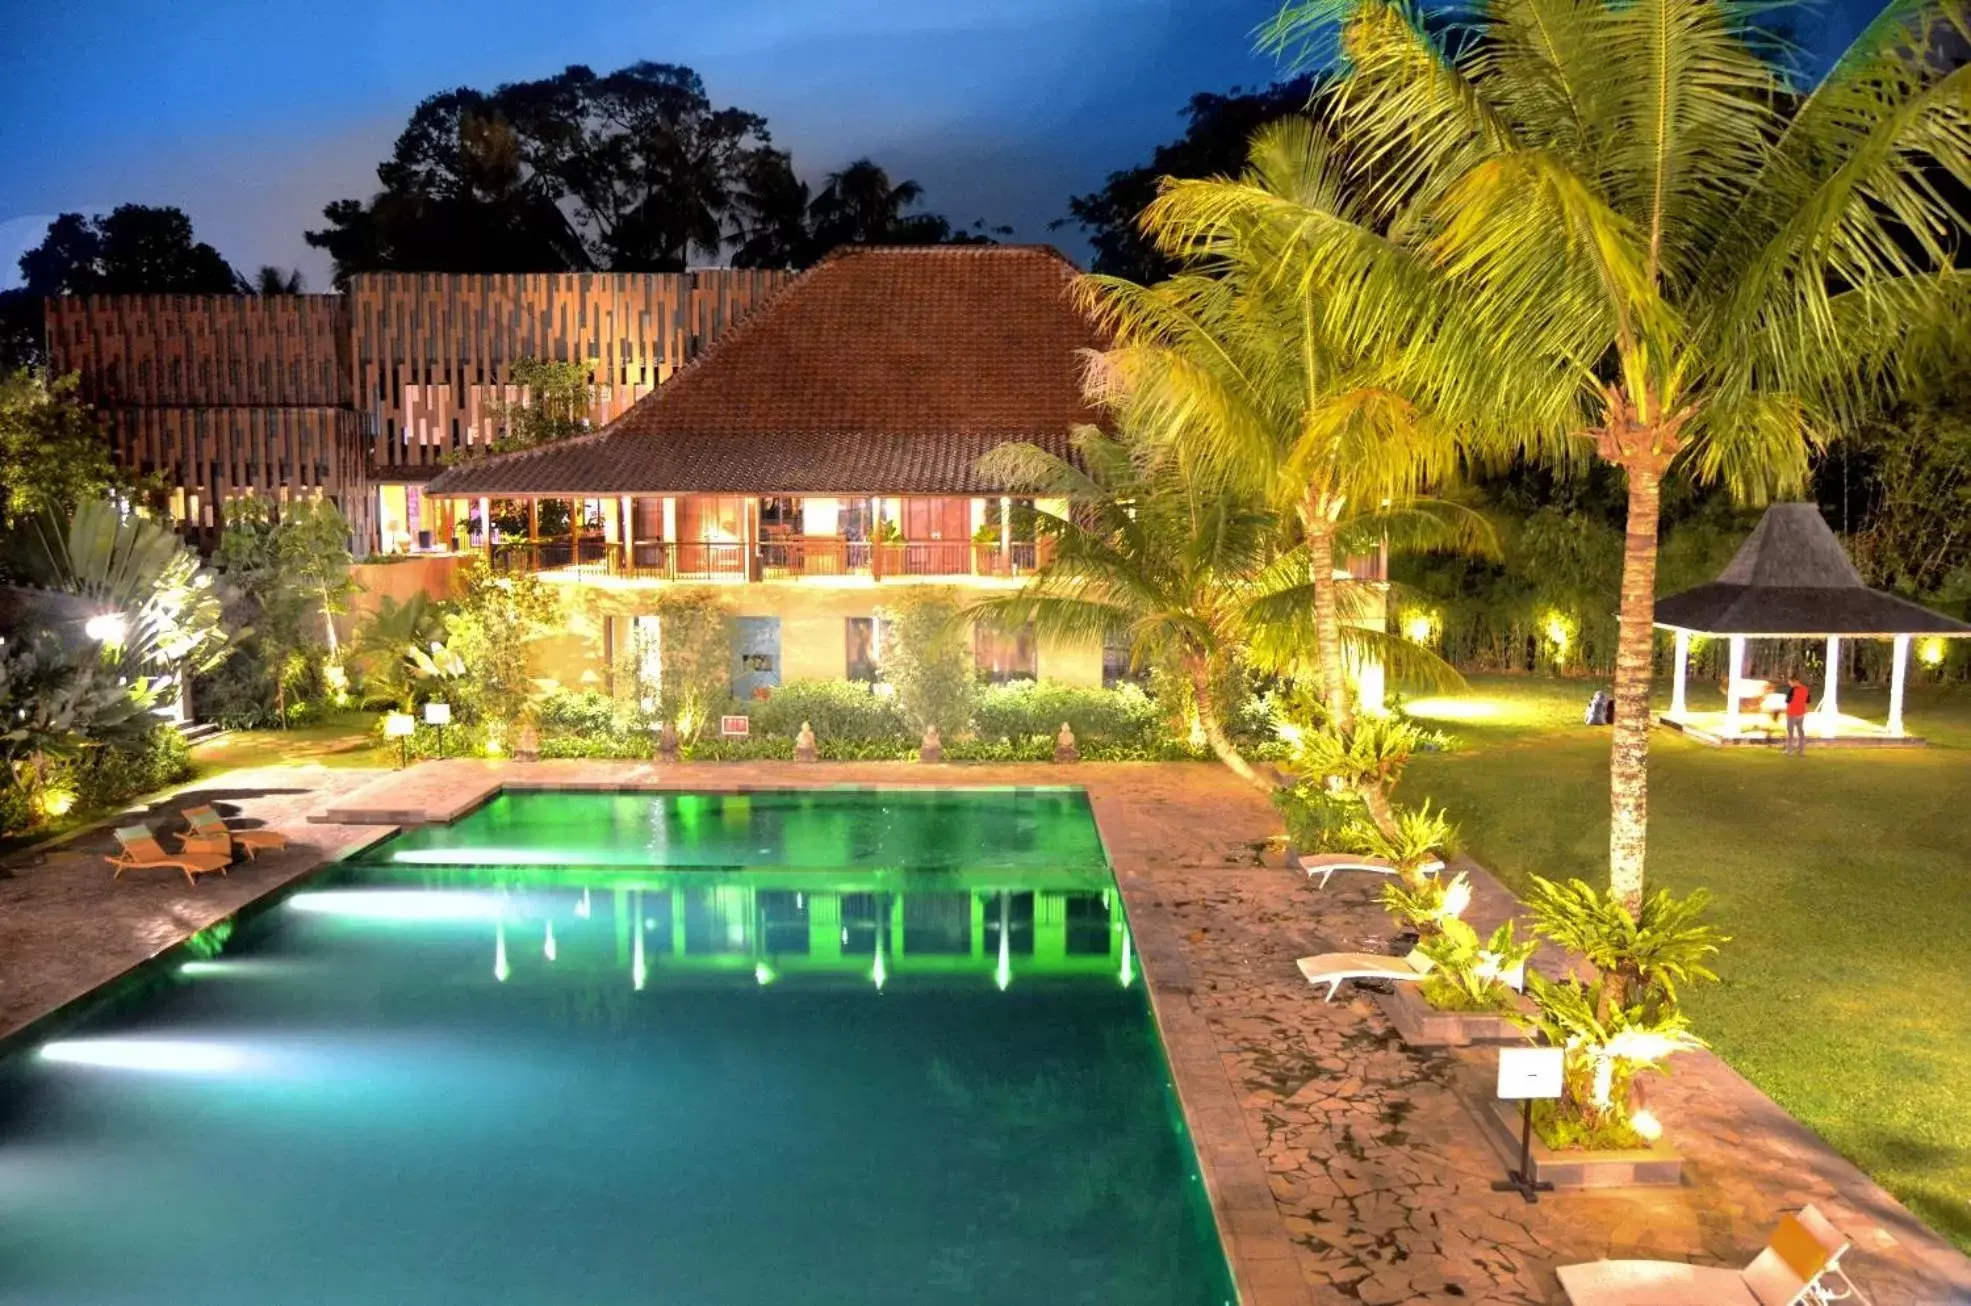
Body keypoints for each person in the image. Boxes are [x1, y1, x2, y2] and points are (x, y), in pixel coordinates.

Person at [1783, 671, 1811, 755]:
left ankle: (1789, 751)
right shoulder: (1805, 689)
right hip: (1801, 713)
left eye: (1790, 682)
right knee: (1800, 732)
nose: (1790, 684)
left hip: (1792, 713)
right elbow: (1808, 700)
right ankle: (1801, 751)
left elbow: (1787, 700)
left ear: (1794, 681)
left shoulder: (1792, 690)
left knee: (1790, 733)